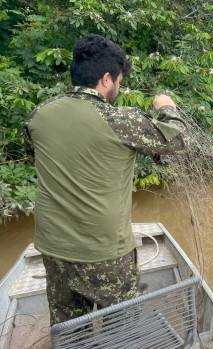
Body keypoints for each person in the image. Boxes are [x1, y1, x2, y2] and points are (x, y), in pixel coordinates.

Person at [24, 34, 189, 326]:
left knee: (69, 326)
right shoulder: (122, 121)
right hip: (104, 251)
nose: (119, 88)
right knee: (121, 326)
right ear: (105, 79)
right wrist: (166, 106)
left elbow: (33, 153)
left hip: (53, 248)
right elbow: (178, 139)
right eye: (119, 81)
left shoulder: (39, 114)